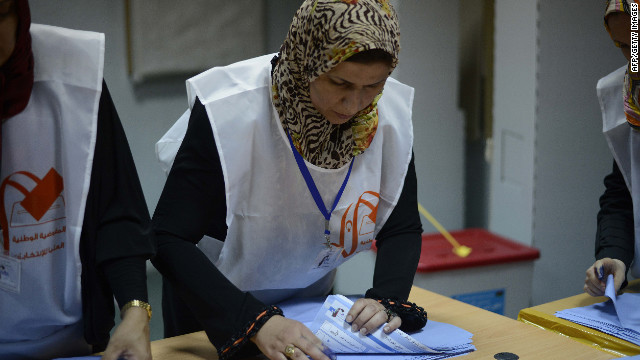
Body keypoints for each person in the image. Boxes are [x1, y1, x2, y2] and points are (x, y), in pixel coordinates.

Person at [152, 0, 426, 359]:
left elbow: (401, 225)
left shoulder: (385, 117)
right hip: (219, 305)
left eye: (373, 85)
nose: (352, 104)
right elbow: (166, 238)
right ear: (306, 61)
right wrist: (253, 321)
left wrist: (385, 298)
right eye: (339, 82)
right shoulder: (231, 112)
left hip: (308, 306)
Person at [0, 1, 154, 359]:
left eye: (1, 13)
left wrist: (135, 310)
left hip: (71, 341)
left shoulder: (75, 80)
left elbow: (118, 211)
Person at [584, 0, 640, 297]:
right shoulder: (632, 99)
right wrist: (615, 255)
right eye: (624, 46)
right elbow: (624, 193)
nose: (635, 60)